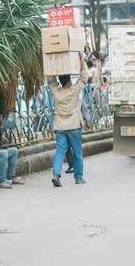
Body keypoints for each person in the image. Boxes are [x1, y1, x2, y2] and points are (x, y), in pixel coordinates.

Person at [49, 53, 89, 187]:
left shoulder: (56, 93)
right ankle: (78, 178)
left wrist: (53, 64)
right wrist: (82, 61)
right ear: (69, 81)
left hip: (60, 127)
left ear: (61, 81)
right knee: (78, 152)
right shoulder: (74, 91)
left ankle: (56, 174)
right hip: (73, 127)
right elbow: (84, 79)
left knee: (60, 152)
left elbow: (51, 81)